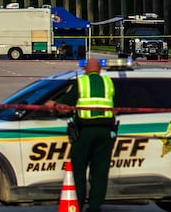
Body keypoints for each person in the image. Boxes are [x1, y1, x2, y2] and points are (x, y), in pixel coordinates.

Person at [45, 59, 117, 211]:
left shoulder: (81, 82)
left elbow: (66, 106)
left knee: (79, 170)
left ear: (86, 69)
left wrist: (54, 105)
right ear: (99, 70)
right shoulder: (108, 83)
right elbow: (116, 107)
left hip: (85, 131)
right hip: (105, 131)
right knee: (100, 172)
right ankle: (95, 207)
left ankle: (78, 203)